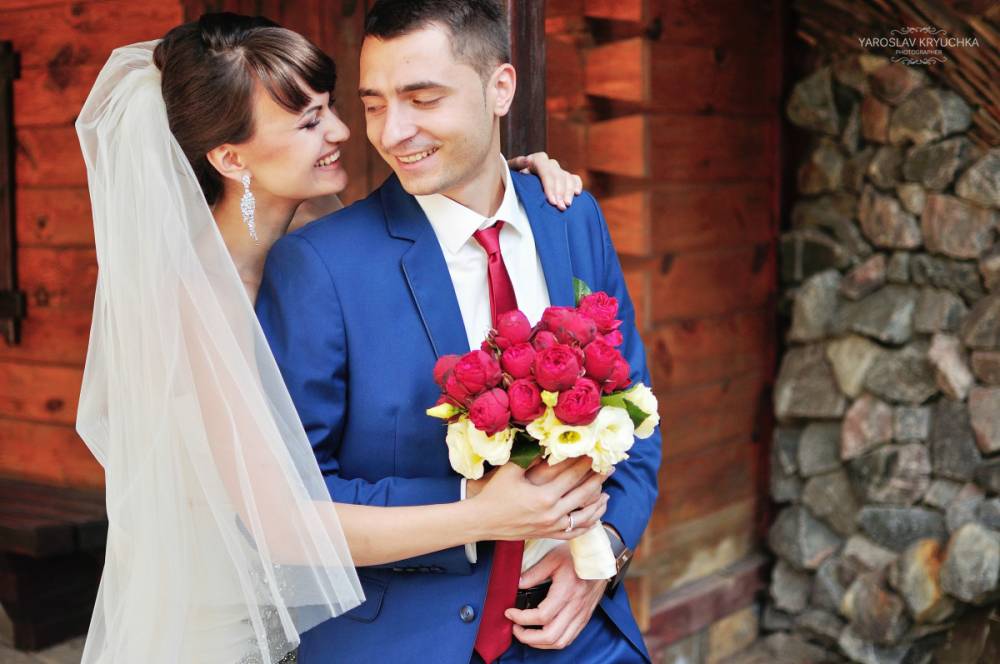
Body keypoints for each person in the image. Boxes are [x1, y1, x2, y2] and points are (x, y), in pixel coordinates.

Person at [75, 12, 600, 664]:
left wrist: (507, 179)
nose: (343, 132)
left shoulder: (315, 223)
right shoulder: (198, 299)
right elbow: (282, 526)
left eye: (329, 106)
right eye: (307, 122)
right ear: (231, 157)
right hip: (234, 604)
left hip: (341, 597)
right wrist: (485, 514)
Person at [255, 1, 662, 662]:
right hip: (406, 639)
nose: (393, 132)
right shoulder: (320, 266)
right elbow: (291, 500)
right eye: (375, 104)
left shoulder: (572, 217)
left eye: (423, 99)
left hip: (582, 631)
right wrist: (477, 508)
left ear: (500, 88)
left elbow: (636, 411)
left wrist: (604, 553)